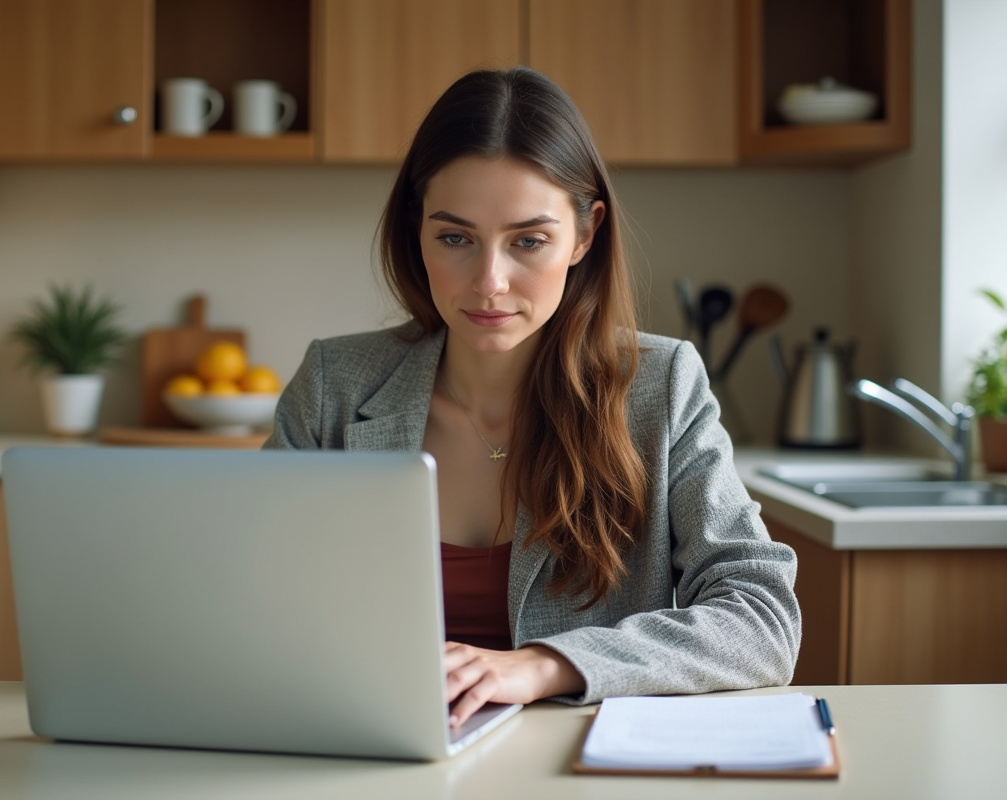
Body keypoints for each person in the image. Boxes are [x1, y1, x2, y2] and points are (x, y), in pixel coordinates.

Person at [264, 66, 800, 728]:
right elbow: (252, 599)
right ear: (417, 230)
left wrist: (545, 665)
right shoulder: (333, 385)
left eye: (528, 241)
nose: (489, 282)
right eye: (455, 237)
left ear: (584, 234)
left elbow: (760, 617)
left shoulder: (661, 384)